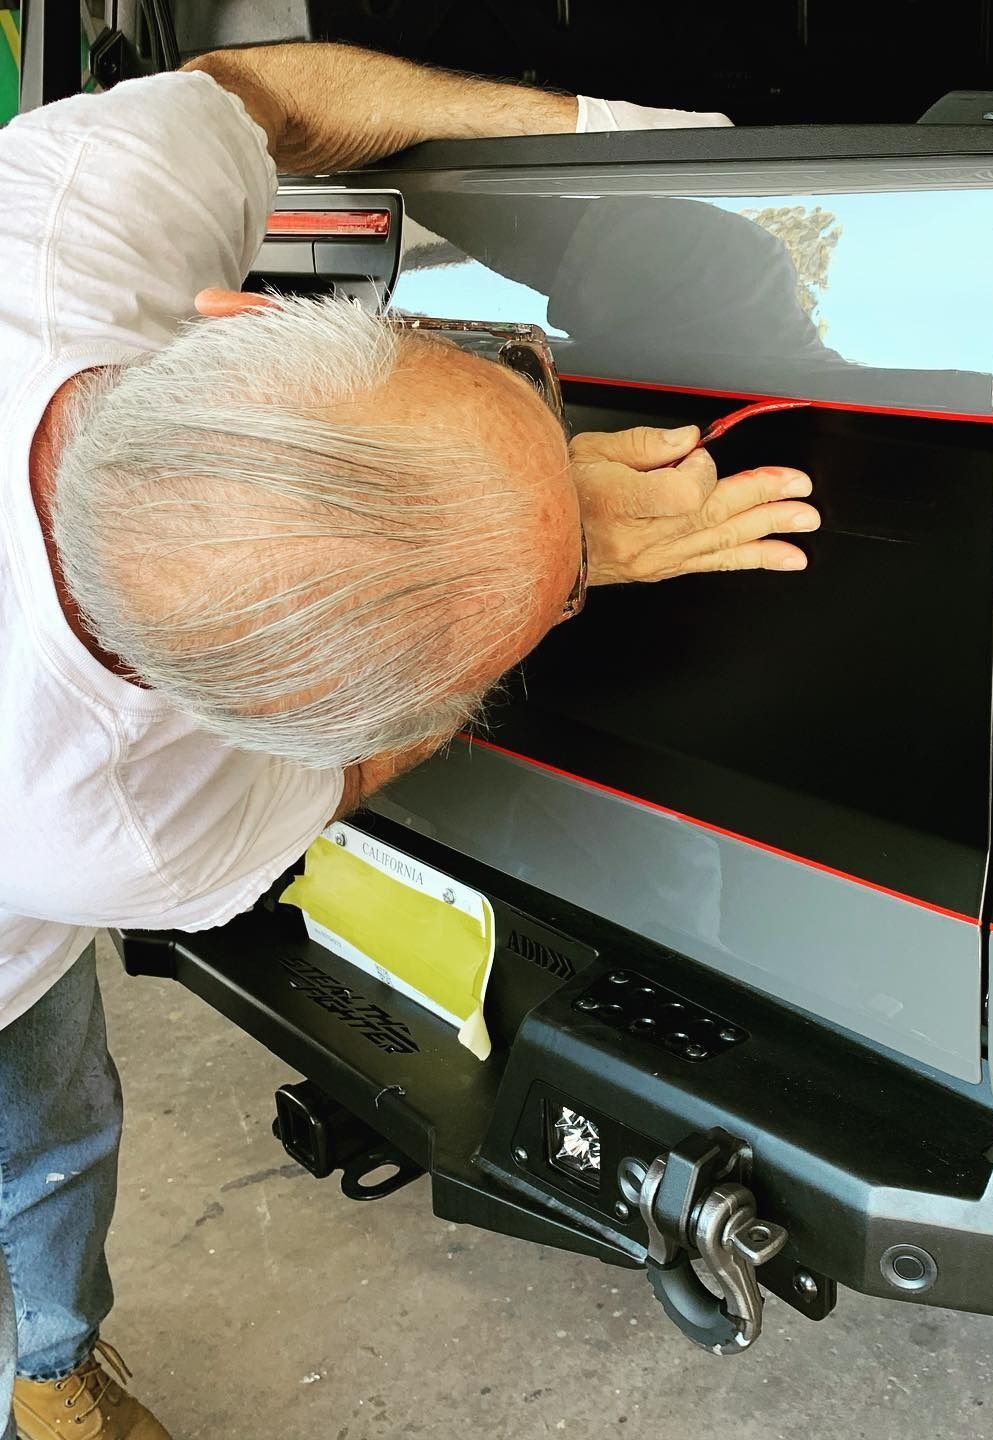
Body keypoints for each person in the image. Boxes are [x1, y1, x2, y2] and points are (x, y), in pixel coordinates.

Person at [0, 42, 820, 1440]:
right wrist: (561, 566)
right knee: (41, 1131)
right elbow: (345, 779)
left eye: (520, 383)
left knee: (53, 1131)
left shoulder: (75, 210)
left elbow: (261, 91)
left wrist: (619, 137)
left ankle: (52, 1356)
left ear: (239, 325)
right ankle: (47, 1372)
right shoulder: (118, 828)